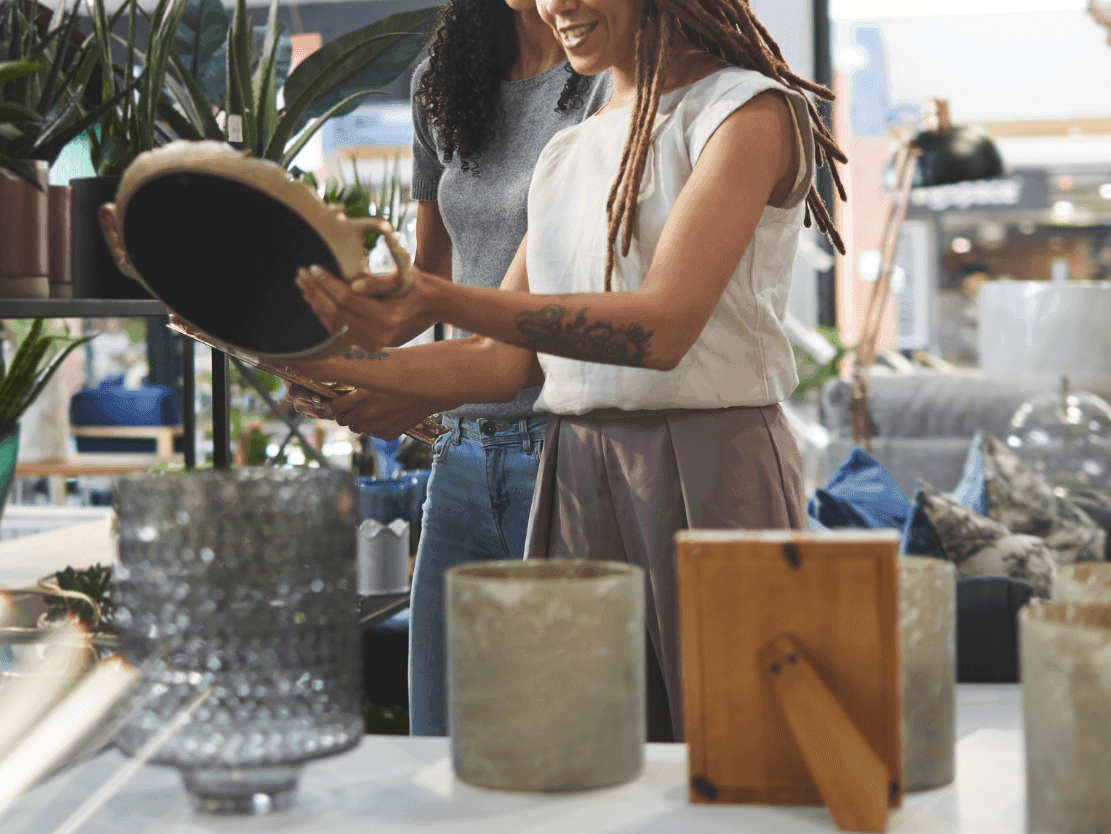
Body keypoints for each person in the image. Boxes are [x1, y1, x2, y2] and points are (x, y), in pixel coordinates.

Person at [290, 0, 848, 740]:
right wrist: (317, 358)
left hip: (711, 467)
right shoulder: (569, 152)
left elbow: (662, 329)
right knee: (577, 764)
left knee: (735, 755)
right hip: (576, 471)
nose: (556, 4)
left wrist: (439, 297)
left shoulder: (747, 112)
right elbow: (498, 363)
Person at [296, 0, 611, 737]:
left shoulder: (603, 76)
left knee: (558, 738)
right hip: (462, 460)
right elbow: (426, 287)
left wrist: (381, 377)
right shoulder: (442, 80)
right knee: (439, 736)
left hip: (565, 450)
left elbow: (516, 337)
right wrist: (368, 369)